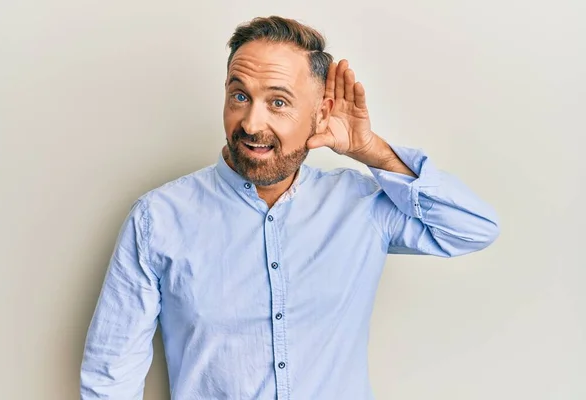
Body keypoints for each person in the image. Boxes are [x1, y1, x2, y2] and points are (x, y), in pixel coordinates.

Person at [80, 15, 499, 400]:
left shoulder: (362, 206)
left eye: (278, 102)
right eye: (239, 95)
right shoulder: (158, 219)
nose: (251, 123)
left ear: (321, 114)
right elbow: (110, 376)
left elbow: (472, 228)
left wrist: (373, 152)